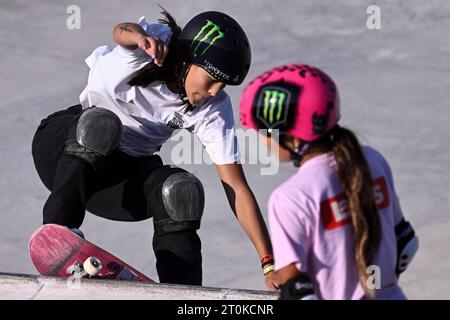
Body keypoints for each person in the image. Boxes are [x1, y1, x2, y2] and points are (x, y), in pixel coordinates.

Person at [31, 8, 278, 290]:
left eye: (222, 86)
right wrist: (138, 36)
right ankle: (58, 234)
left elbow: (237, 187)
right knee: (101, 124)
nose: (214, 92)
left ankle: (182, 294)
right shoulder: (152, 46)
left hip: (113, 183)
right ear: (186, 60)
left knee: (180, 189)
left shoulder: (213, 109)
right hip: (62, 153)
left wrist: (269, 264)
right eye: (211, 80)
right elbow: (121, 32)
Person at [239, 64, 419, 299]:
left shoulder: (291, 198)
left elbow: (297, 290)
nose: (263, 141)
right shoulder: (373, 160)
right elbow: (405, 244)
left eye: (264, 133)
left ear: (289, 137)